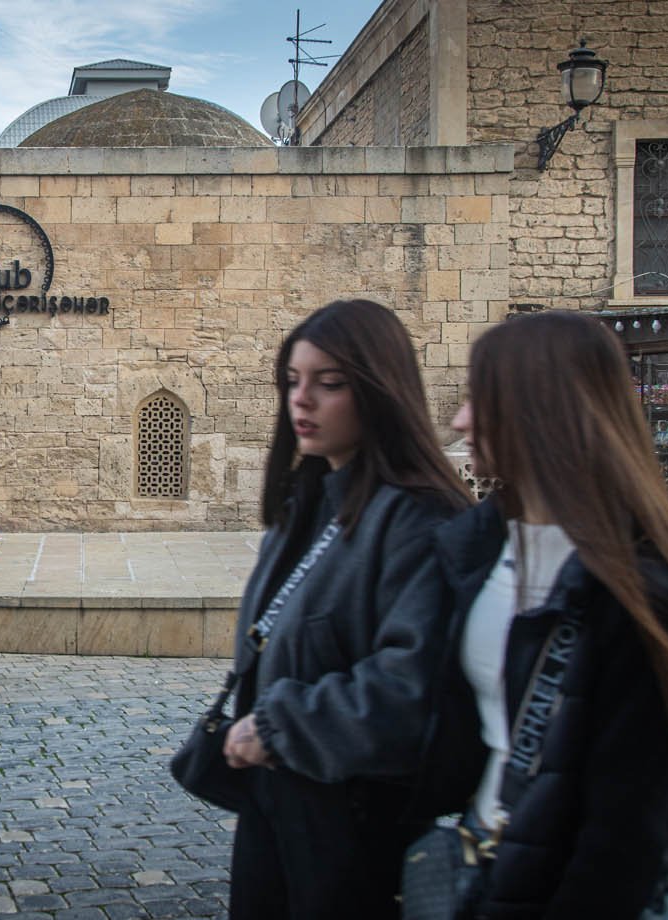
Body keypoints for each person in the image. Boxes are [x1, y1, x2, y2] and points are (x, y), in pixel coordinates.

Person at [412, 311, 668, 918]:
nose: (459, 420)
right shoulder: (482, 551)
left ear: (540, 409)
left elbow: (628, 834)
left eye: (481, 398)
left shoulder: (641, 596)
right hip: (483, 858)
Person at [217, 299, 472, 919]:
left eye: (328, 384)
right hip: (278, 804)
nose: (301, 400)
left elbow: (411, 688)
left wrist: (282, 726)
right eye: (292, 381)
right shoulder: (309, 502)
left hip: (357, 824)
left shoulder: (420, 519)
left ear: (378, 390)